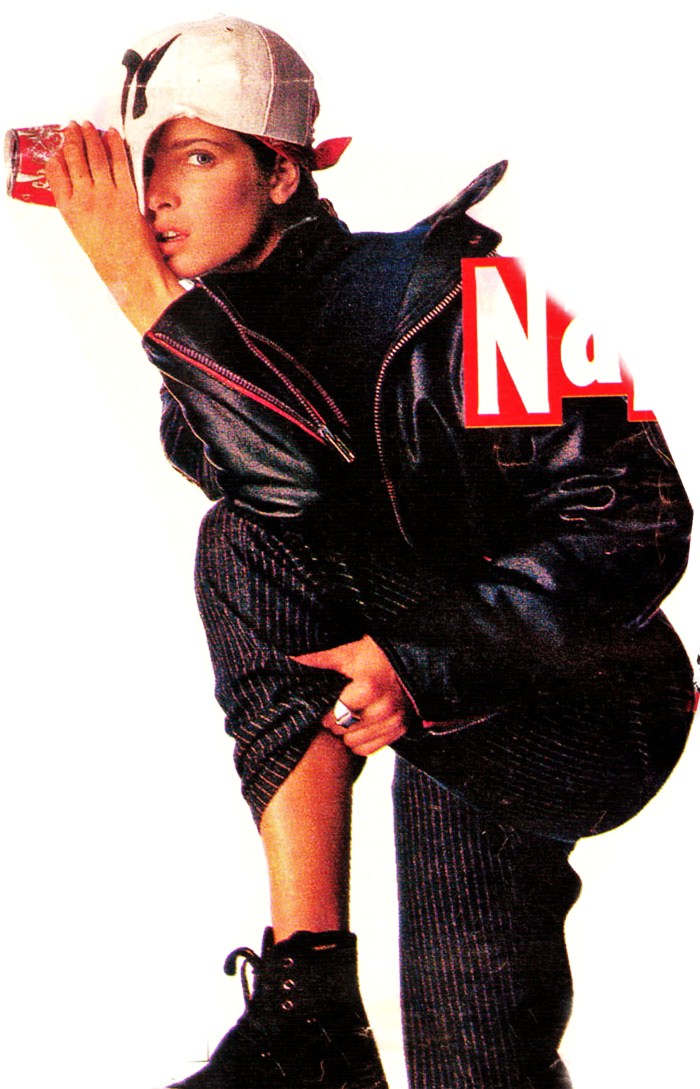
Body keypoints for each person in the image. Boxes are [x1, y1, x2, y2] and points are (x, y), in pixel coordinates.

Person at [41, 14, 694, 1089]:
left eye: (195, 158)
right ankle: (311, 1002)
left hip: (575, 698)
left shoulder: (469, 296)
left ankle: (311, 1014)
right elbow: (295, 504)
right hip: (420, 680)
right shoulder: (213, 373)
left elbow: (640, 517)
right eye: (142, 169)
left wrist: (433, 662)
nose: (154, 200)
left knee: (472, 1069)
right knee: (476, 1070)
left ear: (283, 172)